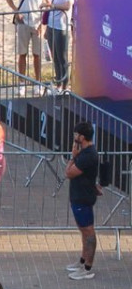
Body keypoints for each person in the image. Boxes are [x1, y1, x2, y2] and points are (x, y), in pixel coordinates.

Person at [66, 119, 99, 279]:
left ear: (82, 137)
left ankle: (87, 268)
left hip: (83, 197)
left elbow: (69, 173)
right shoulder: (84, 153)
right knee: (83, 230)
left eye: (76, 134)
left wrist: (73, 158)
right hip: (78, 196)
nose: (74, 137)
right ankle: (82, 260)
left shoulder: (88, 155)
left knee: (88, 231)